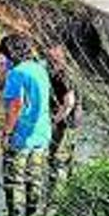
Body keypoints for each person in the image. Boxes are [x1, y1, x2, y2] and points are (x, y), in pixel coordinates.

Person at [0, 34, 52, 216]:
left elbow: (15, 106)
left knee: (14, 183)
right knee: (34, 181)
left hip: (21, 138)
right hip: (42, 136)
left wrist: (6, 133)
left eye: (2, 55)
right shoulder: (40, 68)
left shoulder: (17, 73)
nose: (1, 60)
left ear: (10, 54)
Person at [44, 45, 82, 203]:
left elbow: (69, 103)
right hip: (72, 122)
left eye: (50, 59)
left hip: (66, 123)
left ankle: (55, 200)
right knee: (66, 159)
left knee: (58, 160)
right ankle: (64, 195)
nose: (47, 61)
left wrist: (54, 121)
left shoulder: (63, 75)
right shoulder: (67, 71)